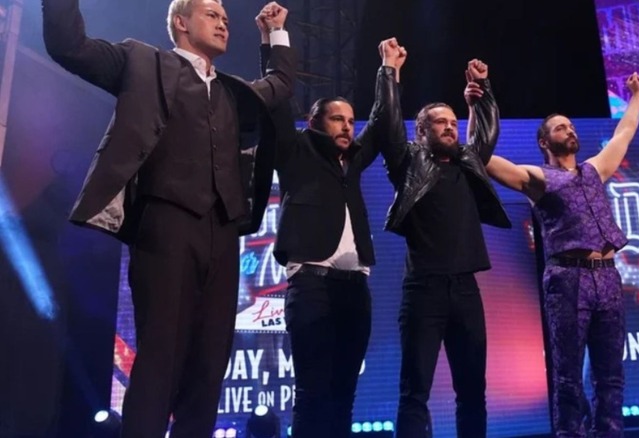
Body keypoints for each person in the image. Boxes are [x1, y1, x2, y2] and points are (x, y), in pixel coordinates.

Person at [41, 0, 296, 436]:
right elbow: (69, 45)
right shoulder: (142, 62)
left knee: (210, 362)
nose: (223, 23)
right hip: (165, 224)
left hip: (222, 230)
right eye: (212, 15)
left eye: (226, 19)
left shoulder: (235, 92)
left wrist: (275, 33)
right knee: (161, 355)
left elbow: (282, 82)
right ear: (180, 22)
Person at [485, 73, 639, 437]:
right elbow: (488, 162)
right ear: (545, 141)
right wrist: (478, 112)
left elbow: (625, 132)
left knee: (611, 375)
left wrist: (636, 95)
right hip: (568, 278)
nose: (569, 131)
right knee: (568, 376)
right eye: (560, 128)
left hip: (606, 276)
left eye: (571, 126)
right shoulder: (536, 177)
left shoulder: (594, 170)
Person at [270, 37, 406, 438]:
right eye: (337, 120)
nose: (348, 126)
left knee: (345, 394)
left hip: (354, 289)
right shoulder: (295, 153)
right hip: (312, 284)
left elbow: (381, 123)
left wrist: (389, 70)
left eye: (350, 120)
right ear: (315, 124)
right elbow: (277, 107)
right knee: (313, 393)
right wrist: (274, 40)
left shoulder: (352, 161)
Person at [381, 56, 511, 438]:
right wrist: (390, 72)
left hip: (466, 291)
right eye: (441, 122)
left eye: (455, 122)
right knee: (414, 392)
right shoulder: (408, 161)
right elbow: (388, 126)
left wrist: (483, 90)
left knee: (472, 392)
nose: (451, 128)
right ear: (422, 130)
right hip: (424, 290)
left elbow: (485, 134)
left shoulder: (468, 162)